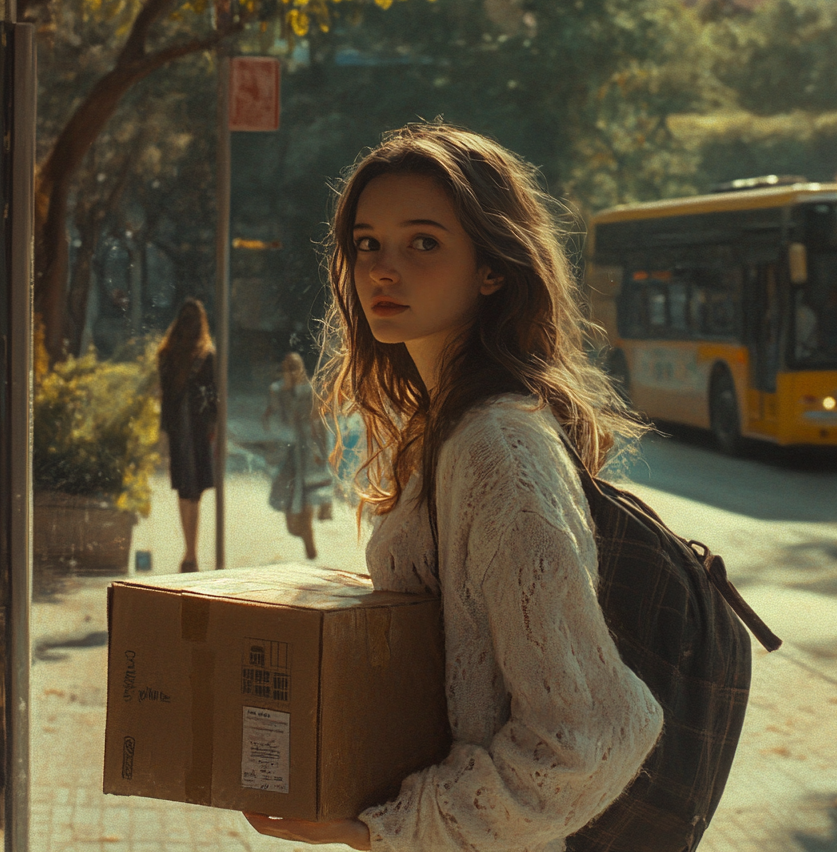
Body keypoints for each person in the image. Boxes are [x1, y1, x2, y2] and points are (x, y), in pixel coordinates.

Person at [244, 124, 663, 851]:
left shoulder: (496, 445)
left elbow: (588, 737)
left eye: (423, 243)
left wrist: (380, 830)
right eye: (367, 243)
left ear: (492, 269)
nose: (383, 268)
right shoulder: (450, 425)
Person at [157, 298, 217, 573]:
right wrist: (214, 428)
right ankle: (192, 551)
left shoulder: (166, 354)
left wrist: (163, 433)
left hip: (178, 430)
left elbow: (166, 397)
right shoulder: (207, 355)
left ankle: (188, 551)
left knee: (184, 490)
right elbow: (212, 397)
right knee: (196, 494)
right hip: (199, 429)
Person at [262, 352, 333, 560]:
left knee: (305, 496)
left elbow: (319, 423)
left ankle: (309, 538)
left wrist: (322, 452)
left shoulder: (310, 391)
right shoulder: (277, 391)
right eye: (288, 369)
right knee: (289, 510)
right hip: (287, 454)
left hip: (307, 453)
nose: (292, 373)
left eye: (295, 368)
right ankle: (304, 534)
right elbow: (272, 421)